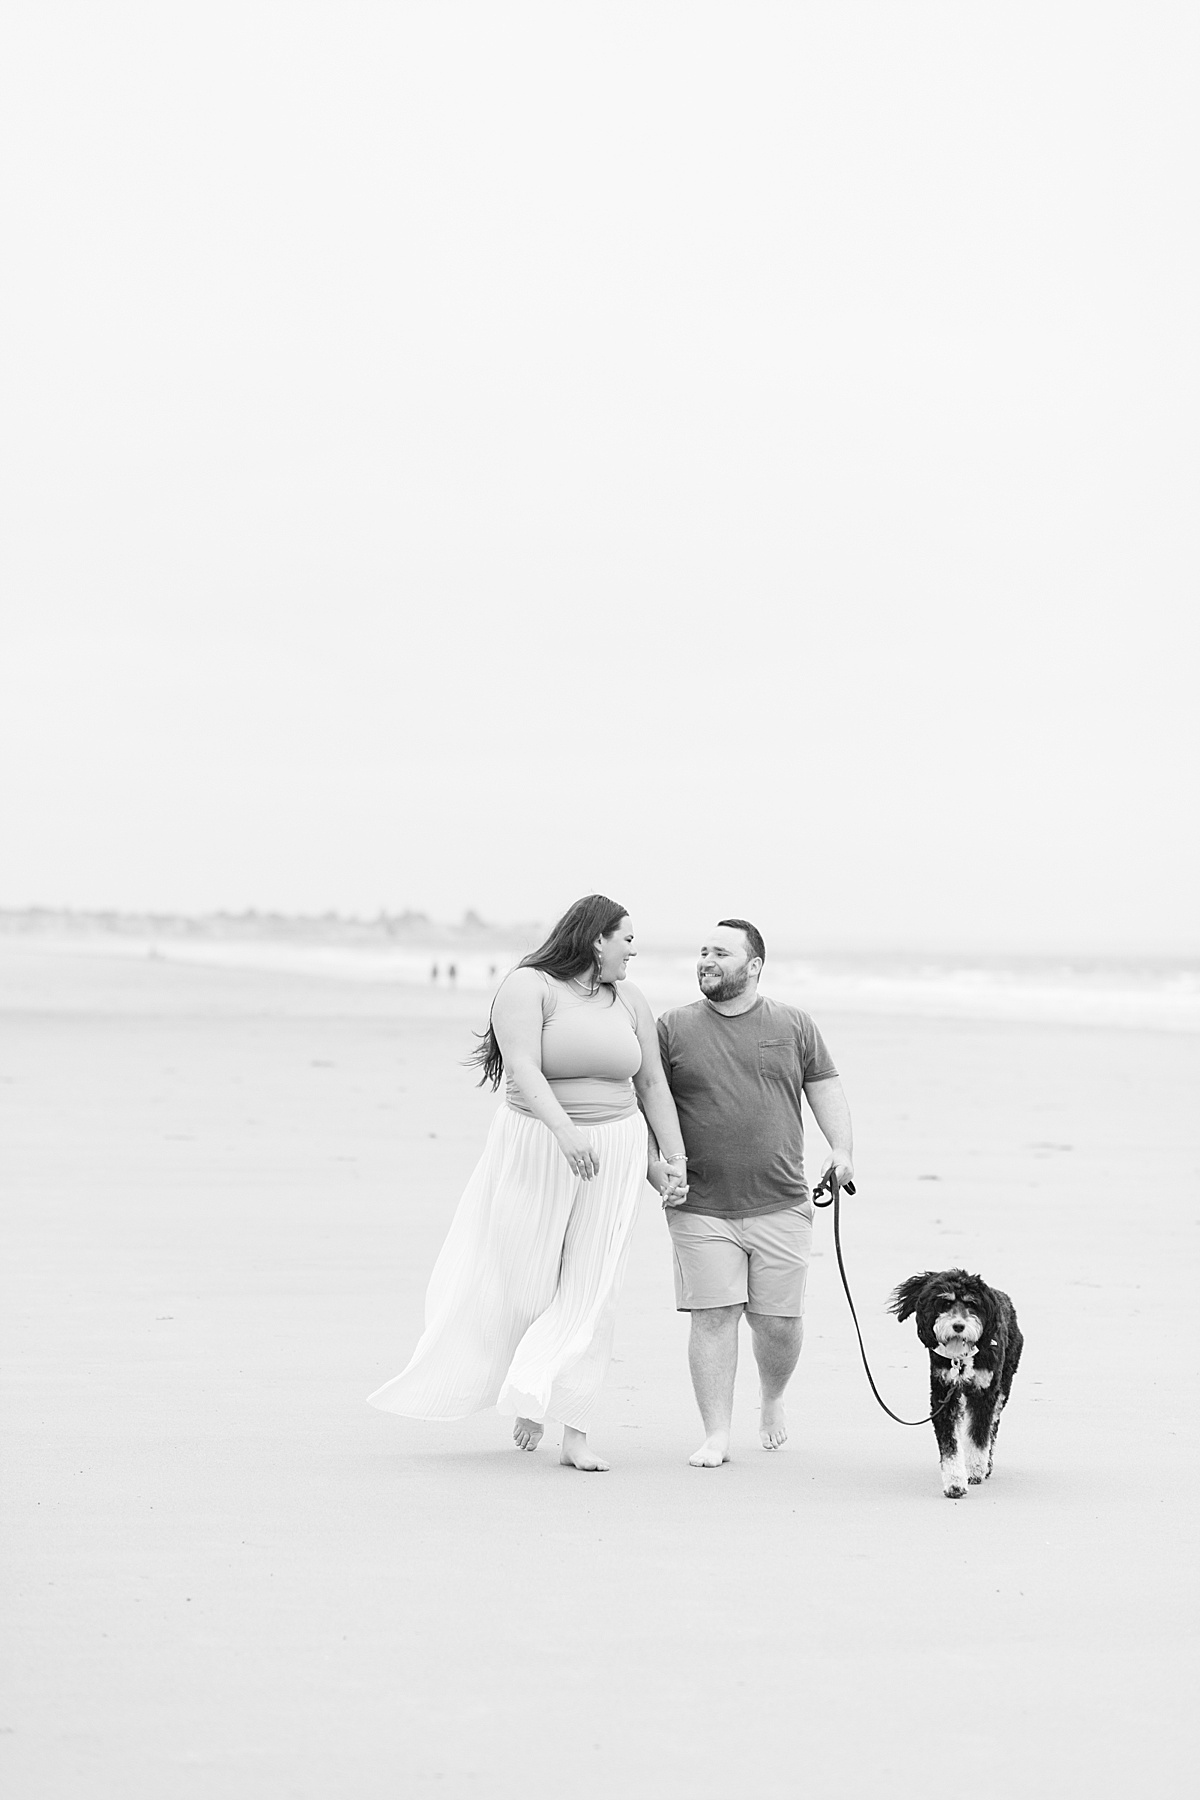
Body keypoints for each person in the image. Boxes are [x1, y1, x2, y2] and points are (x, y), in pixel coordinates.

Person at [368, 895, 688, 1471]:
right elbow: (521, 1066)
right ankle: (527, 1387)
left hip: (613, 1151)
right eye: (627, 938)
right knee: (526, 1281)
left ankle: (576, 1431)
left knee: (595, 1292)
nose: (634, 950)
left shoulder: (629, 999)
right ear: (596, 939)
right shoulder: (528, 986)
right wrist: (564, 1132)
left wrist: (668, 1161)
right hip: (538, 1144)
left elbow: (652, 1087)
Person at [649, 919, 854, 1468]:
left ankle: (772, 1397)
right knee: (713, 1315)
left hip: (782, 1199)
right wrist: (655, 1167)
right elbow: (648, 1101)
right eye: (702, 951)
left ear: (754, 965)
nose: (706, 960)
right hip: (699, 1205)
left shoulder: (793, 1024)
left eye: (720, 952)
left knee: (778, 1325)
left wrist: (841, 1150)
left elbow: (825, 1087)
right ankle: (716, 1433)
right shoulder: (671, 1028)